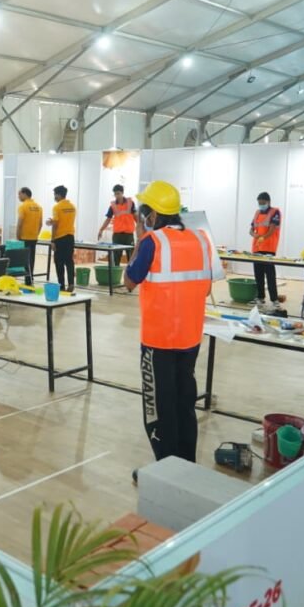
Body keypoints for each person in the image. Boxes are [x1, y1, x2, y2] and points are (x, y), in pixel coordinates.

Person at [124, 180, 214, 475]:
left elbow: (129, 281)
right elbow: (206, 286)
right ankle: (186, 467)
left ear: (152, 214)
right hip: (190, 337)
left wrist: (139, 239)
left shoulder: (152, 242)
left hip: (158, 340)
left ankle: (166, 474)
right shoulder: (201, 239)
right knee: (184, 402)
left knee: (159, 408)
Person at [250, 191, 284, 313]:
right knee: (258, 274)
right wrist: (254, 235)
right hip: (257, 248)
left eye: (263, 203)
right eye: (259, 203)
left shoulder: (275, 212)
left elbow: (272, 229)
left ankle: (274, 300)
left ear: (268, 202)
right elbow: (251, 229)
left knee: (270, 275)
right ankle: (260, 297)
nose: (261, 205)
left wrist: (263, 237)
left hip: (269, 248)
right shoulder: (257, 213)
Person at [46, 185, 77, 292]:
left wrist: (52, 240)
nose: (54, 197)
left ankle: (61, 285)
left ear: (58, 195)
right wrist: (53, 221)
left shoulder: (57, 207)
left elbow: (55, 224)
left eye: (55, 194)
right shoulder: (72, 207)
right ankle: (71, 283)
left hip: (60, 238)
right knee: (69, 261)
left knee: (59, 262)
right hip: (70, 237)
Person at [97, 184, 136, 265]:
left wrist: (142, 228)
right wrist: (101, 230)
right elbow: (108, 219)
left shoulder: (130, 203)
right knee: (116, 258)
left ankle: (132, 272)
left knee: (131, 257)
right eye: (115, 194)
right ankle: (116, 272)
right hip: (117, 235)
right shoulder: (113, 205)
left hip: (129, 235)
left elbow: (136, 217)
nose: (117, 196)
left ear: (122, 193)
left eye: (118, 193)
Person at [16, 187, 43, 285]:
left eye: (19, 194)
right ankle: (30, 280)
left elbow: (20, 223)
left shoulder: (23, 206)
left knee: (25, 260)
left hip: (24, 237)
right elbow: (40, 224)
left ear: (25, 194)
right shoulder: (39, 207)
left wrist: (18, 236)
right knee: (31, 259)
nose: (18, 196)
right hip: (34, 238)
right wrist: (36, 234)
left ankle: (27, 280)